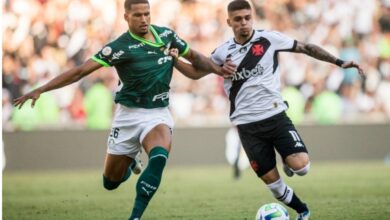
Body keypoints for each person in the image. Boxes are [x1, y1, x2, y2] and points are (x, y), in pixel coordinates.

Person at [13, 0, 234, 219]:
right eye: (137, 15)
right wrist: (41, 89)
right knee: (110, 183)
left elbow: (195, 59)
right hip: (128, 116)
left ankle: (135, 217)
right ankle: (131, 162)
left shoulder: (167, 36)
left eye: (147, 14)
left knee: (158, 159)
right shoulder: (118, 47)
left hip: (157, 113)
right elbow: (80, 71)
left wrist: (219, 70)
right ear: (126, 17)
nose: (144, 19)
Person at [171, 1, 365, 219]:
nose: (244, 23)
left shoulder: (269, 39)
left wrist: (339, 62)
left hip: (275, 116)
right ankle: (303, 211)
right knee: (274, 185)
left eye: (247, 17)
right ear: (229, 22)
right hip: (247, 126)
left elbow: (306, 48)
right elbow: (196, 73)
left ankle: (287, 160)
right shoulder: (222, 53)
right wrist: (174, 60)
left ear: (252, 17)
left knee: (302, 168)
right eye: (238, 19)